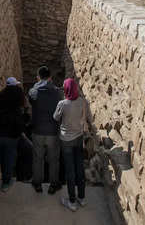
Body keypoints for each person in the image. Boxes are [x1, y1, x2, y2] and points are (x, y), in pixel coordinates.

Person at [0, 77, 26, 192]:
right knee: (8, 160)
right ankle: (5, 183)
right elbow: (20, 121)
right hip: (11, 137)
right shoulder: (18, 103)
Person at [53, 78, 88, 211]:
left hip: (66, 140)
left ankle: (72, 201)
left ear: (66, 89)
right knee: (79, 168)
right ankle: (82, 198)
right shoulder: (82, 101)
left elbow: (55, 117)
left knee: (70, 171)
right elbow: (83, 119)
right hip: (78, 137)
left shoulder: (63, 103)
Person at [28, 65, 62, 194]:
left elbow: (31, 98)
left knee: (38, 158)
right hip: (52, 131)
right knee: (53, 159)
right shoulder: (58, 92)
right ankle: (53, 185)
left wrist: (37, 84)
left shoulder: (34, 92)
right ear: (51, 77)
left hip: (38, 130)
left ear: (38, 77)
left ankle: (37, 184)